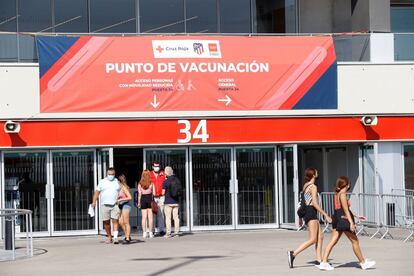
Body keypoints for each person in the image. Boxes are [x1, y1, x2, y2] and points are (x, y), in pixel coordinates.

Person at [318, 176, 376, 271]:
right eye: (349, 183)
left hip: (337, 218)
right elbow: (345, 210)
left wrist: (357, 216)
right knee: (355, 241)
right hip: (344, 219)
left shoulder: (337, 194)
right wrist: (351, 223)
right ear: (347, 185)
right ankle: (363, 262)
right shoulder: (343, 194)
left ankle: (324, 262)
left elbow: (344, 209)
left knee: (333, 241)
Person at [287, 168, 332, 268]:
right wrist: (325, 215)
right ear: (313, 175)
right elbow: (314, 203)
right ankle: (293, 254)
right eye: (316, 172)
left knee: (320, 237)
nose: (318, 172)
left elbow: (307, 201)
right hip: (311, 212)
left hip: (309, 211)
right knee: (312, 239)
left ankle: (319, 260)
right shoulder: (313, 187)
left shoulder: (306, 186)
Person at [91, 167, 121, 244]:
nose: (111, 175)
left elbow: (122, 191)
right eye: (109, 174)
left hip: (115, 204)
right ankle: (109, 236)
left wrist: (120, 199)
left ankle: (115, 237)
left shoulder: (117, 181)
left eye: (112, 174)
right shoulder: (102, 182)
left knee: (115, 221)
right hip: (104, 205)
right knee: (106, 222)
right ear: (107, 174)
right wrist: (94, 202)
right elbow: (97, 192)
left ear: (114, 174)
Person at [162, 166, 182, 238]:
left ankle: (168, 233)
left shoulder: (166, 181)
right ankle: (176, 232)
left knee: (168, 218)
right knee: (176, 218)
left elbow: (162, 192)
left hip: (168, 202)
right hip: (176, 201)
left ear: (166, 173)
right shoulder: (177, 180)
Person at [150, 161, 166, 236]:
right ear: (153, 167)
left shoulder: (163, 174)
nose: (157, 168)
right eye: (155, 166)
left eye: (158, 166)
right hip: (153, 197)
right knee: (152, 214)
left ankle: (161, 230)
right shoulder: (150, 174)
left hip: (161, 196)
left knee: (161, 214)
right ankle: (152, 230)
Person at [138, 169, 155, 239]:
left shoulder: (140, 184)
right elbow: (153, 193)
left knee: (144, 217)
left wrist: (139, 202)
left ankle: (144, 233)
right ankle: (150, 232)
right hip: (149, 199)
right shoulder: (151, 183)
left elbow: (139, 194)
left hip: (143, 199)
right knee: (150, 217)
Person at [117, 174, 133, 243]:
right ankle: (127, 235)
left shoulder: (124, 187)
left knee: (126, 222)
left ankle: (127, 238)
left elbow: (130, 197)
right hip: (121, 205)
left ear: (119, 181)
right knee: (120, 222)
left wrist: (120, 200)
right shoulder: (119, 188)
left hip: (126, 205)